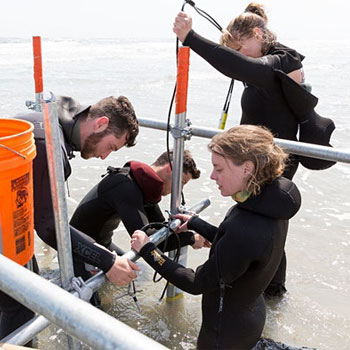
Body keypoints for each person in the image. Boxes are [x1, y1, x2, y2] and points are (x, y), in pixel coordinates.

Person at [173, 3, 335, 297]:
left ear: (259, 34)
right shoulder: (263, 61)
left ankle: (264, 292)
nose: (240, 56)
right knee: (262, 225)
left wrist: (190, 37)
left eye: (242, 48)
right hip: (253, 160)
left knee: (261, 223)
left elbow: (241, 66)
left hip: (272, 162)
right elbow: (240, 63)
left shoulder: (281, 61)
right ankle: (268, 292)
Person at [131, 125, 301, 350]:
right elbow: (238, 248)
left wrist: (148, 250)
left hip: (224, 336)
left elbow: (196, 282)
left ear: (247, 169)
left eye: (219, 168)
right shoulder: (270, 204)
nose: (212, 176)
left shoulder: (245, 226)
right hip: (248, 315)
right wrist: (196, 223)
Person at [0, 95, 139, 341]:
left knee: (28, 286)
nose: (105, 157)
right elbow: (49, 227)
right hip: (6, 230)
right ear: (100, 123)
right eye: (111, 147)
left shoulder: (47, 121)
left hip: (9, 223)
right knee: (19, 306)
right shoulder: (49, 145)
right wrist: (107, 261)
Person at [69, 149, 208, 283]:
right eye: (182, 182)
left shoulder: (143, 184)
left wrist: (188, 231)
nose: (179, 190)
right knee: (94, 306)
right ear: (169, 169)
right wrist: (192, 238)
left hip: (103, 244)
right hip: (80, 248)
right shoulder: (125, 186)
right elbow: (147, 241)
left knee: (139, 274)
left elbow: (158, 232)